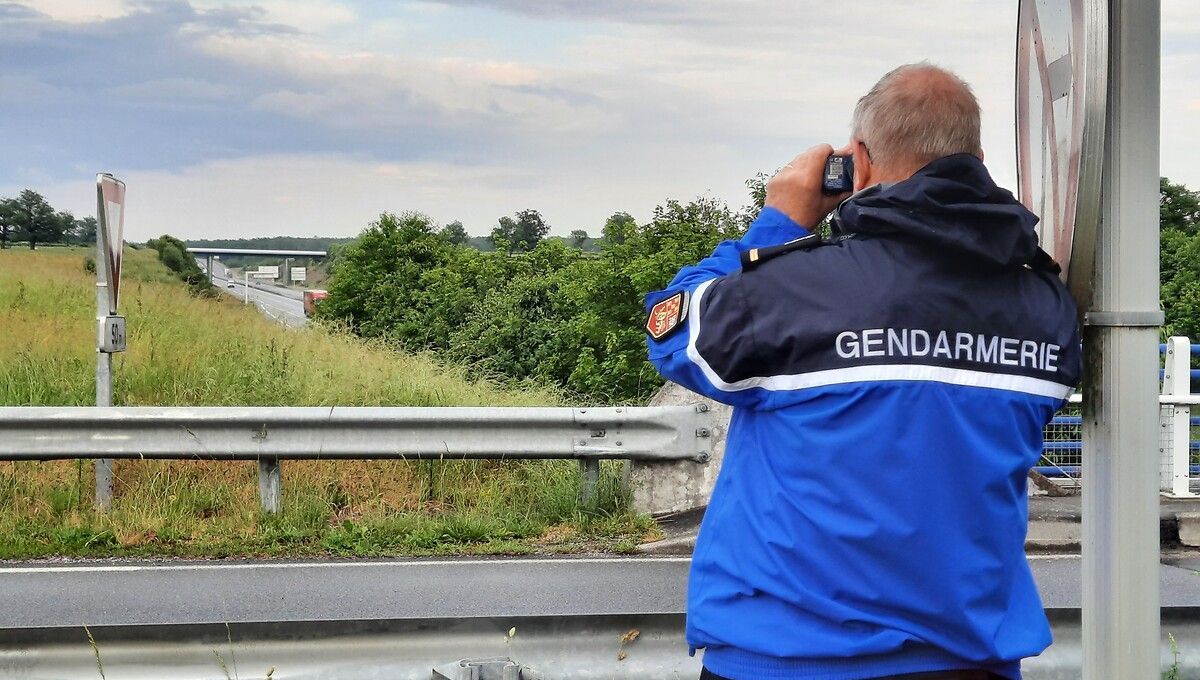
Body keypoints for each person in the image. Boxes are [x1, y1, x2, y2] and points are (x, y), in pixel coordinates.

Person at [644, 63, 1082, 680]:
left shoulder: (795, 293)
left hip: (787, 655)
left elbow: (674, 332)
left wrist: (780, 225)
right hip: (969, 659)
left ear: (860, 164)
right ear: (978, 160)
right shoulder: (1045, 305)